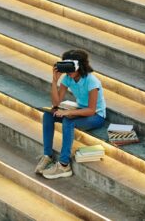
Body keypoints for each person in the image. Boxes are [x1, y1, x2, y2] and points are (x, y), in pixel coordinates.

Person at [35, 49, 106, 179]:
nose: (69, 71)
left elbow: (91, 109)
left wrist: (69, 112)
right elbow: (56, 103)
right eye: (66, 68)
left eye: (71, 68)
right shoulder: (68, 79)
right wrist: (54, 80)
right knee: (48, 115)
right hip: (79, 110)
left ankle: (64, 165)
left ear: (80, 66)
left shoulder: (92, 81)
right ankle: (48, 156)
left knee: (68, 121)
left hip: (96, 116)